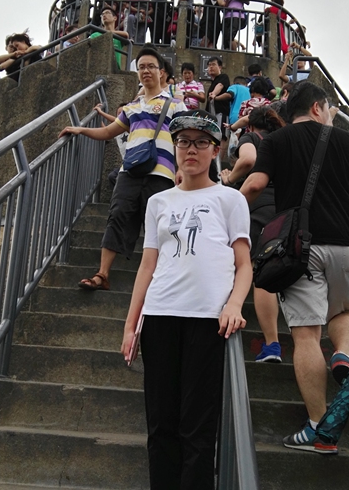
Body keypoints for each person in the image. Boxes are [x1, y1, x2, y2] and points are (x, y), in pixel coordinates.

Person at [121, 109, 252, 489]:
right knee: (161, 425)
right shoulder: (158, 202)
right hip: (159, 316)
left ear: (216, 150)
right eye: (182, 141)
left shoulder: (230, 199)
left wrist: (233, 304)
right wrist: (131, 326)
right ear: (174, 147)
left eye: (200, 142)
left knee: (198, 428)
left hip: (207, 320)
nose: (190, 149)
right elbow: (147, 266)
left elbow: (244, 264)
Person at [239, 81, 349, 454]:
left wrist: (228, 211)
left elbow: (255, 184)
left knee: (306, 336)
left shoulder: (277, 141)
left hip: (301, 248)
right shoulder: (345, 140)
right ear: (318, 107)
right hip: (346, 246)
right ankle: (344, 354)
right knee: (342, 312)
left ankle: (319, 429)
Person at [58, 47, 187, 290]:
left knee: (160, 224)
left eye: (150, 66)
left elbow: (184, 139)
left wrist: (181, 169)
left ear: (161, 72)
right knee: (117, 215)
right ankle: (102, 274)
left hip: (162, 173)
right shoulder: (131, 107)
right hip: (129, 171)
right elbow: (109, 131)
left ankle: (164, 278)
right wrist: (81, 129)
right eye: (141, 67)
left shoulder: (175, 106)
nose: (145, 71)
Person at [221, 106, 286, 362]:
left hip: (258, 208)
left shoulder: (251, 137)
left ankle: (272, 344)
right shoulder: (283, 140)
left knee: (260, 271)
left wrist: (229, 180)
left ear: (250, 126)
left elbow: (248, 160)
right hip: (285, 210)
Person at [205, 56, 230, 159]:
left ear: (220, 67)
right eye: (209, 65)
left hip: (221, 113)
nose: (211, 67)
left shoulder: (223, 77)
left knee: (221, 136)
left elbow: (219, 86)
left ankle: (219, 162)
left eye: (213, 64)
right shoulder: (212, 82)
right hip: (211, 115)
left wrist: (214, 94)